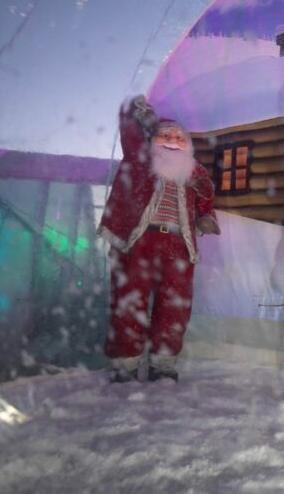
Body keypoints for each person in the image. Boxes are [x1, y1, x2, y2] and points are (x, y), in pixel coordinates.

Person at [98, 95, 219, 383]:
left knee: (174, 306)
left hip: (178, 245)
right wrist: (140, 114)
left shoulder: (193, 171)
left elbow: (206, 195)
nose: (172, 139)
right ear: (153, 139)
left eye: (179, 137)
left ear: (187, 145)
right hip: (139, 242)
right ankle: (125, 366)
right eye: (165, 134)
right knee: (129, 303)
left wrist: (205, 217)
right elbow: (128, 127)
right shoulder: (140, 158)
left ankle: (163, 366)